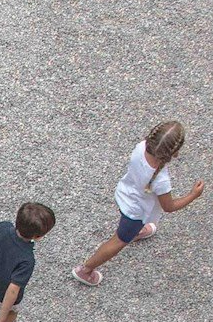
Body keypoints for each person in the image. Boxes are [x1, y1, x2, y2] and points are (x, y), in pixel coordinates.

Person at [74, 122, 205, 285]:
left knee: (127, 230)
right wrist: (193, 195)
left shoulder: (141, 147)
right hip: (136, 212)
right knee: (119, 240)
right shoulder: (160, 179)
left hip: (125, 194)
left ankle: (138, 232)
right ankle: (85, 270)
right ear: (175, 153)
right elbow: (169, 207)